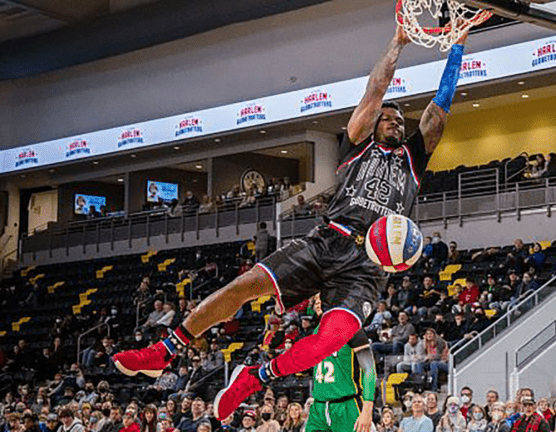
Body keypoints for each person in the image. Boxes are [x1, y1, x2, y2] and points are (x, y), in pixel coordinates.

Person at [114, 17, 467, 424]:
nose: (397, 121)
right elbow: (376, 90)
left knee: (330, 340)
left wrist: (456, 48)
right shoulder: (355, 144)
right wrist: (397, 43)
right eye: (389, 118)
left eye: (401, 121)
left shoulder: (412, 160)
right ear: (373, 124)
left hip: (367, 268)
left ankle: (255, 376)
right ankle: (164, 352)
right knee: (243, 286)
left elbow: (440, 107)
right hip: (328, 240)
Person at [303, 298, 376, 432]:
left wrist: (367, 409)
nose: (318, 301)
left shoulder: (352, 329)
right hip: (319, 407)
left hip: (346, 406)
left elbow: (369, 369)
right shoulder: (315, 331)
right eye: (316, 299)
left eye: (322, 297)